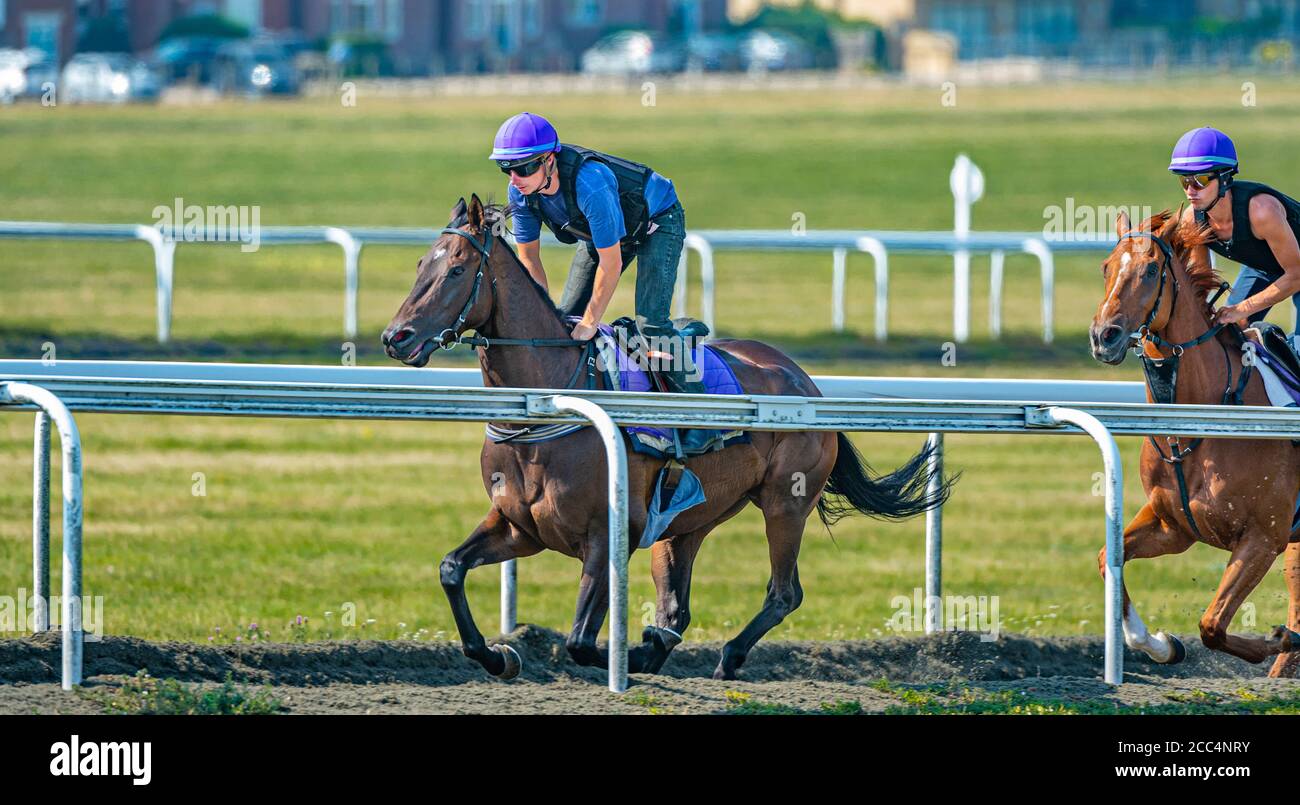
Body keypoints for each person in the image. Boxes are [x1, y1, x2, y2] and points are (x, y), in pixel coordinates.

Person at [490, 111, 704, 393]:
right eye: (507, 170)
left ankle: (704, 419)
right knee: (565, 318)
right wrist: (541, 312)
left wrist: (592, 323)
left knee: (651, 326)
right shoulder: (520, 192)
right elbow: (529, 259)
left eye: (524, 168)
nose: (515, 179)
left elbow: (610, 263)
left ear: (549, 160)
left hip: (658, 221)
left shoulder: (589, 183)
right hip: (607, 232)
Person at [1169, 126, 1300, 336]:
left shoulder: (1261, 211)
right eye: (1184, 180)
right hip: (1264, 267)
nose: (1190, 190)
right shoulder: (1192, 220)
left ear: (1224, 178)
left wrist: (1242, 309)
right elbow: (1201, 282)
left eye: (1200, 180)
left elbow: (1296, 275)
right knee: (1226, 332)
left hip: (1297, 270)